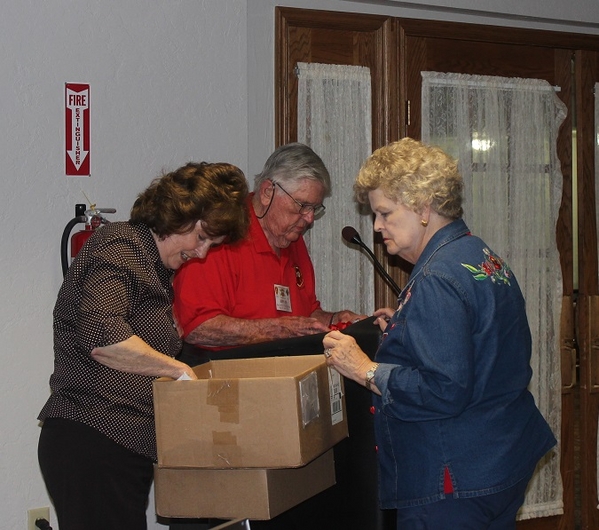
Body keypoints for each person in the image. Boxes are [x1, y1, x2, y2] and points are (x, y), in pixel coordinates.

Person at [322, 138, 557, 530]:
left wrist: (364, 368)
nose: (377, 226)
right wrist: (406, 323)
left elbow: (442, 389)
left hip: (456, 476)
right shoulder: (477, 254)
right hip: (499, 457)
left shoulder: (436, 278)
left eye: (384, 213)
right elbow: (480, 339)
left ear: (422, 207)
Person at [37, 162, 249, 530]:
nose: (201, 254)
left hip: (122, 448)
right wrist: (175, 368)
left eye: (211, 246)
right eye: (201, 238)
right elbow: (103, 336)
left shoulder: (154, 269)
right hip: (93, 437)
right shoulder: (122, 245)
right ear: (179, 212)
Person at [173, 143, 365, 361]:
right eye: (302, 205)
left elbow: (306, 314)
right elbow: (198, 327)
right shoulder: (221, 234)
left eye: (314, 208)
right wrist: (276, 330)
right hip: (225, 381)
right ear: (267, 192)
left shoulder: (292, 239)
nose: (309, 218)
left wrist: (335, 320)